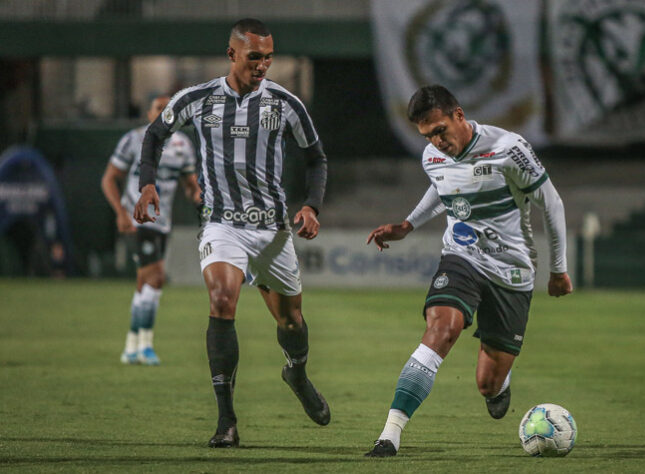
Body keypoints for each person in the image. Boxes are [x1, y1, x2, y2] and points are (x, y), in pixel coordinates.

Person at [133, 18, 330, 448]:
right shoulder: (198, 99)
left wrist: (312, 205)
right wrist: (148, 182)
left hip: (274, 231)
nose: (263, 65)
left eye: (268, 58)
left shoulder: (285, 103)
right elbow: (155, 134)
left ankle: (296, 373)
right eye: (254, 56)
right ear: (232, 54)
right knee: (222, 300)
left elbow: (316, 158)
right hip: (223, 224)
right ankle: (227, 422)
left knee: (291, 320)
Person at [364, 85, 573, 457]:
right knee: (441, 328)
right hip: (463, 256)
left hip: (513, 270)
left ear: (459, 115)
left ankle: (500, 382)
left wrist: (558, 269)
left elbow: (551, 204)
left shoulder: (509, 148)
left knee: (487, 385)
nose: (436, 142)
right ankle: (390, 434)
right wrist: (408, 225)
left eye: (440, 130)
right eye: (427, 136)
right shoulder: (432, 155)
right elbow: (441, 188)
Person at [101, 94, 201, 366]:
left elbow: (190, 184)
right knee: (156, 277)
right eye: (158, 108)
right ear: (148, 113)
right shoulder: (134, 140)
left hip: (163, 223)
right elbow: (110, 179)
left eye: (167, 109)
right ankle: (145, 345)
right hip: (137, 220)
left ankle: (131, 346)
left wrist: (199, 199)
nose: (162, 113)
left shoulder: (183, 145)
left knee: (145, 283)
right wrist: (120, 212)